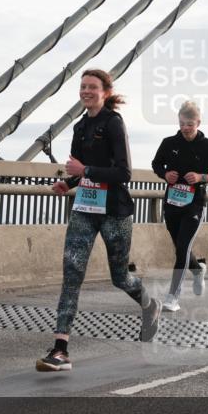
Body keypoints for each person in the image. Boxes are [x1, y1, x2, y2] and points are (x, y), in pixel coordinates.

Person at [37, 69, 161, 372]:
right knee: (72, 274)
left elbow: (123, 173)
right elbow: (79, 170)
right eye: (82, 87)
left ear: (105, 92)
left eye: (92, 87)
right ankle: (61, 350)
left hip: (114, 211)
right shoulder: (80, 127)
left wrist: (86, 171)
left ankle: (150, 304)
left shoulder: (113, 123)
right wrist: (68, 183)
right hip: (84, 209)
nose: (86, 91)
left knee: (120, 278)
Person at [151, 101, 208, 311]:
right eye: (182, 124)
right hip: (172, 204)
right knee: (180, 248)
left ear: (198, 123)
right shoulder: (169, 143)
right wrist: (165, 174)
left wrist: (202, 177)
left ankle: (173, 297)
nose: (186, 128)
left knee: (183, 247)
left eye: (190, 124)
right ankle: (198, 270)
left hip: (194, 205)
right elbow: (156, 164)